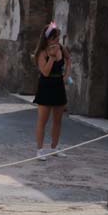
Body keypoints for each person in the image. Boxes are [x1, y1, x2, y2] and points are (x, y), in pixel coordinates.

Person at [33, 22, 70, 160]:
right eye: (54, 38)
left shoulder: (61, 48)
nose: (57, 41)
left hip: (58, 84)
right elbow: (46, 72)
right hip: (46, 86)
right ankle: (40, 150)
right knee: (43, 120)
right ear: (48, 39)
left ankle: (54, 147)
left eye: (58, 38)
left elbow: (68, 59)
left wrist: (66, 75)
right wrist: (53, 58)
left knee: (58, 120)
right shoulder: (42, 52)